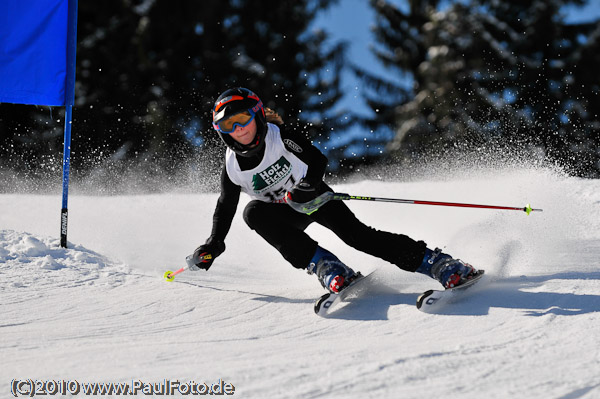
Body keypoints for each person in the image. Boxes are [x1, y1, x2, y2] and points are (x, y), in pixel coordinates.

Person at [187, 87, 478, 294]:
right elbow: (226, 206)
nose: (238, 128)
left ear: (258, 115)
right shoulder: (233, 167)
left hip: (314, 198)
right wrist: (214, 244)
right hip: (282, 214)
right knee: (252, 212)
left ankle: (438, 263)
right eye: (228, 124)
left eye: (243, 119)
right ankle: (325, 265)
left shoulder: (280, 137)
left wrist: (307, 186)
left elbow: (316, 159)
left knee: (359, 237)